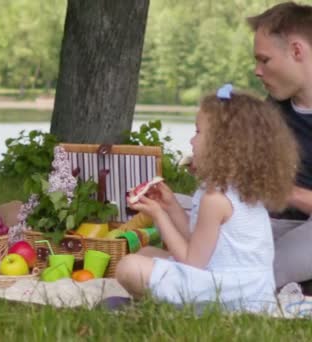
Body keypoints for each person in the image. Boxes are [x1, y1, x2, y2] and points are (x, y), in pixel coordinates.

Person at [114, 85, 299, 312]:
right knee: (146, 254)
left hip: (231, 296)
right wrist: (171, 205)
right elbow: (198, 242)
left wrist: (158, 215)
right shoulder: (234, 189)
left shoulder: (216, 199)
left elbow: (192, 262)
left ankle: (181, 308)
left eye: (198, 132)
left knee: (129, 267)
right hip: (247, 289)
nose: (191, 141)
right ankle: (168, 303)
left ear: (222, 145)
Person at [246, 1, 312, 290]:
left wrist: (287, 193)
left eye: (265, 60)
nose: (257, 71)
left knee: (281, 260)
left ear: (297, 51)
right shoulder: (274, 107)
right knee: (189, 209)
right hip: (279, 222)